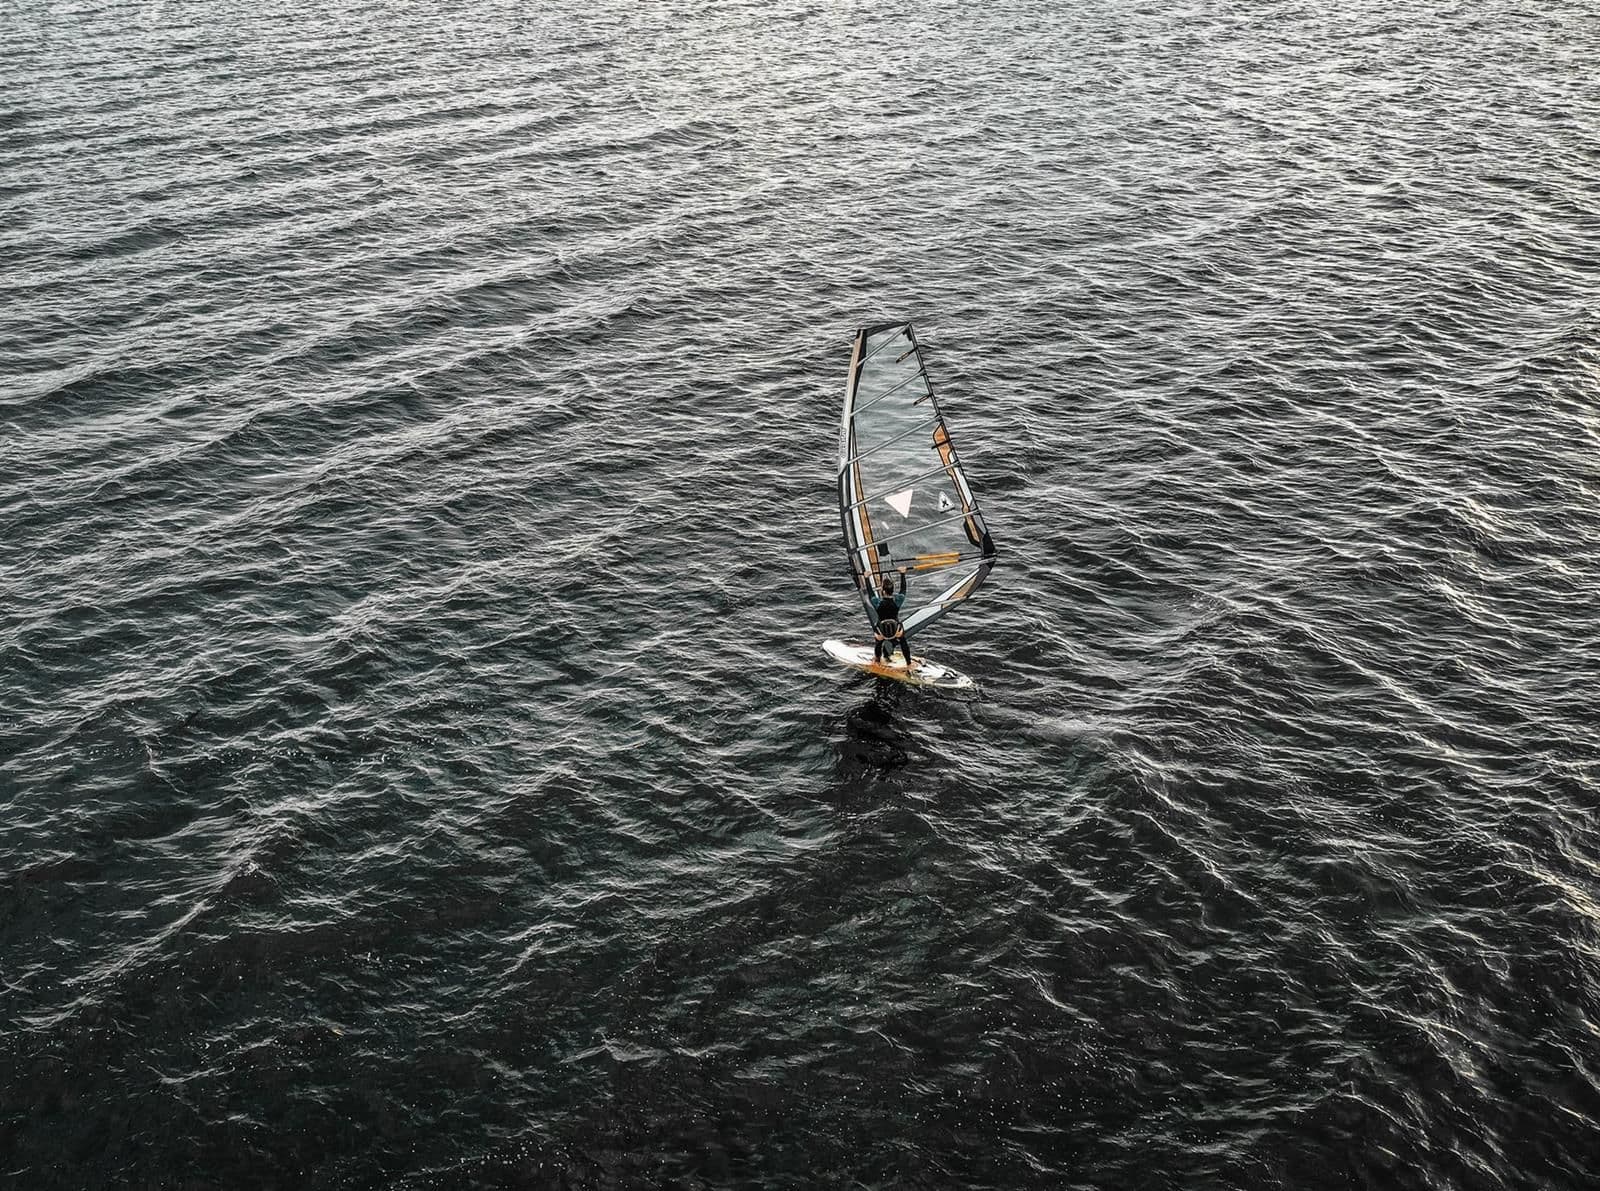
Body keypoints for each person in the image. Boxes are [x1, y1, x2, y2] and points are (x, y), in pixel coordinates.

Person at [870, 570, 913, 667]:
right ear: (892, 590)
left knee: (878, 643)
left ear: (883, 591)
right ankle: (909, 663)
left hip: (881, 633)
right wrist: (902, 574)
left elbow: (870, 593)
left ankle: (877, 660)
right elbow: (903, 590)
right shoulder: (898, 601)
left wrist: (867, 578)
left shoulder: (877, 602)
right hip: (896, 632)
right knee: (903, 642)